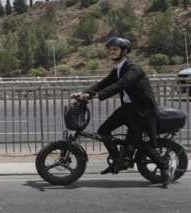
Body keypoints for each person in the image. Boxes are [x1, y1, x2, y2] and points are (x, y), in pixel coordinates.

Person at [71, 37, 175, 186]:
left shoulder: (134, 69)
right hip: (127, 109)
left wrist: (98, 96)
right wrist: (84, 93)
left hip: (141, 111)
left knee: (138, 142)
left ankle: (164, 167)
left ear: (124, 51)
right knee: (103, 130)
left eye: (115, 49)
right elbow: (104, 83)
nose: (111, 52)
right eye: (110, 49)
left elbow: (122, 84)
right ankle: (118, 161)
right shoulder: (118, 68)